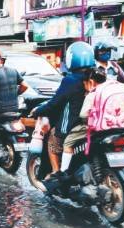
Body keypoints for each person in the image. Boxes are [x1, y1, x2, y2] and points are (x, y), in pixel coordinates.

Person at [30, 42, 95, 177]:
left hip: (74, 123)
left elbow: (55, 103)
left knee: (53, 140)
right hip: (96, 122)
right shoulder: (96, 75)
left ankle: (56, 173)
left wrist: (37, 111)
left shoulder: (70, 79)